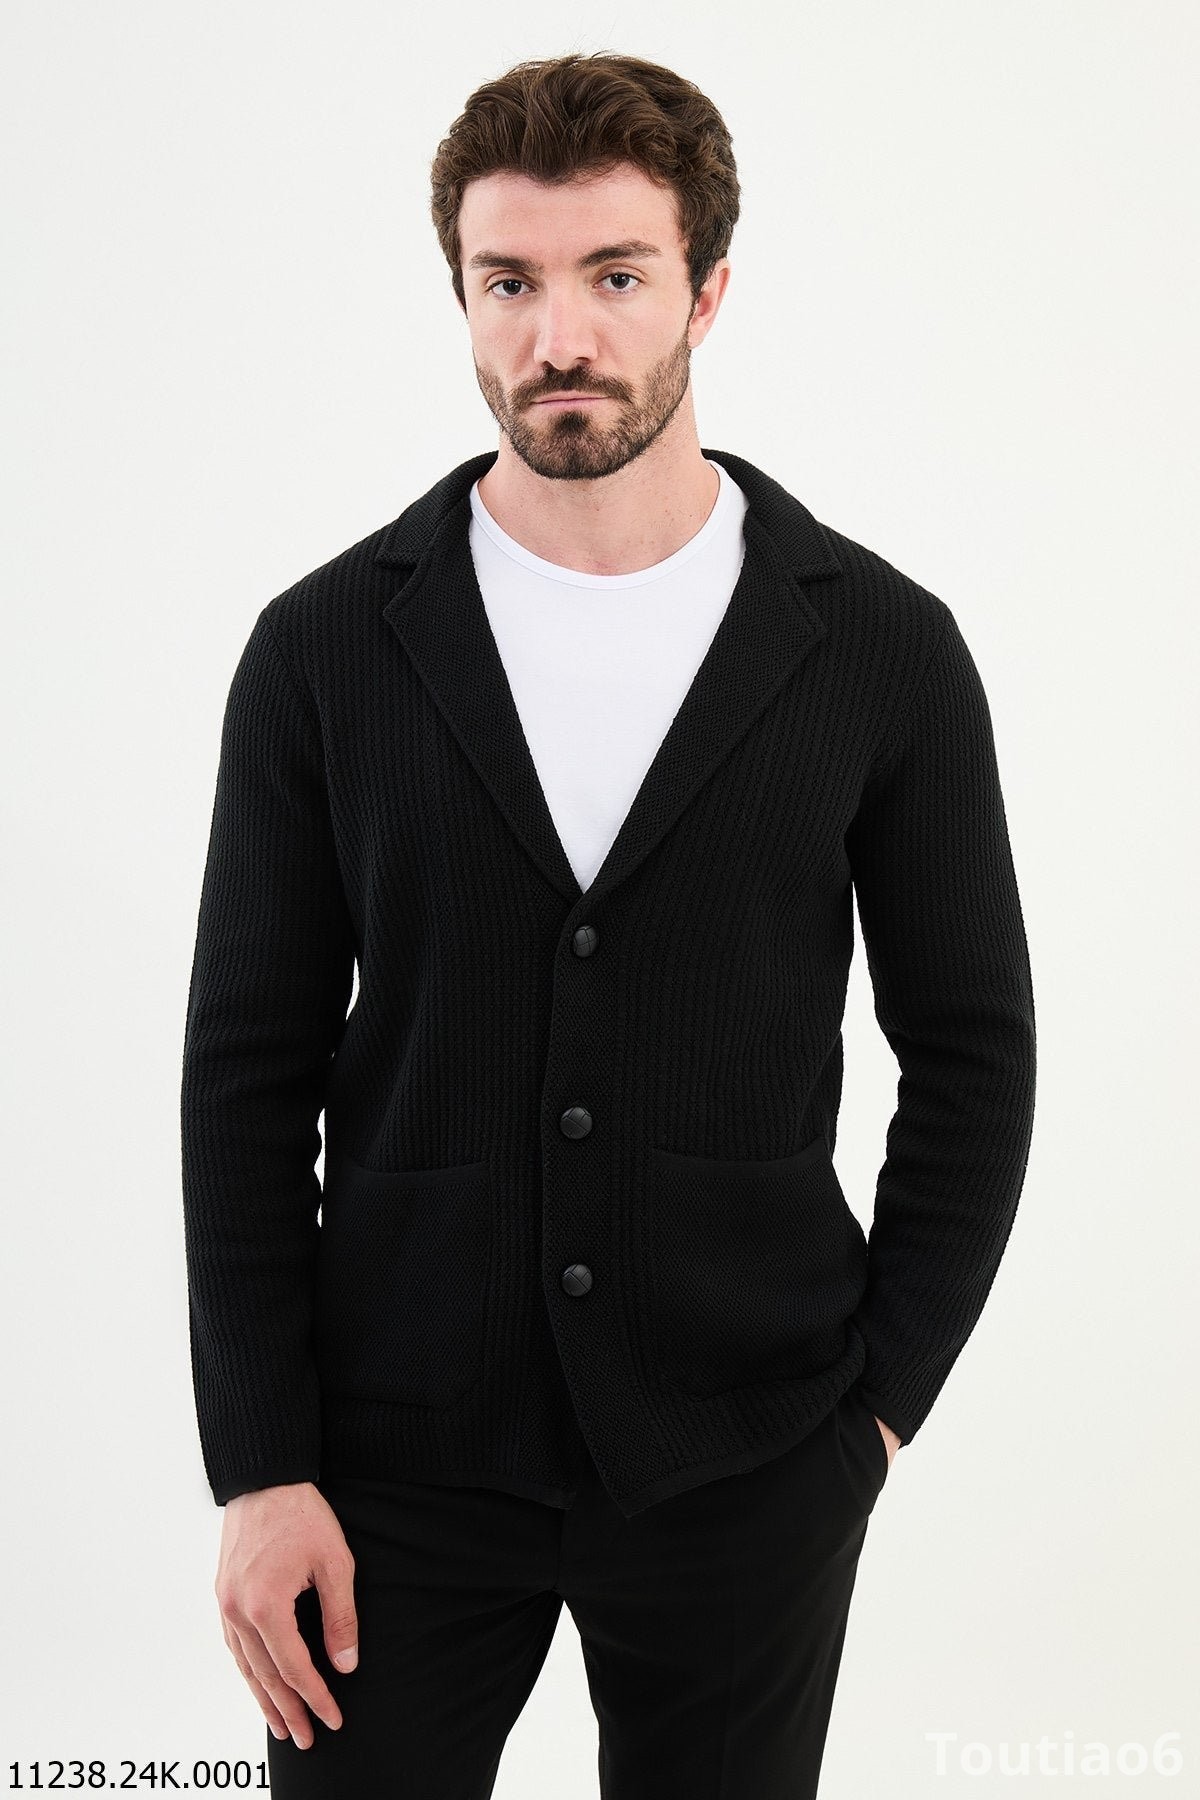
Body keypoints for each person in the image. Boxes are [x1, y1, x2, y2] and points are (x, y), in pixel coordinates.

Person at [181, 50, 1037, 1799]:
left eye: (617, 276)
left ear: (708, 292)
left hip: (752, 1452)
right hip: (388, 1468)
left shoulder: (882, 649)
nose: (558, 335)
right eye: (509, 282)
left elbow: (975, 1053)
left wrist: (875, 1414)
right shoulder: (323, 651)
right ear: (461, 297)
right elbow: (244, 1077)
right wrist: (260, 1466)